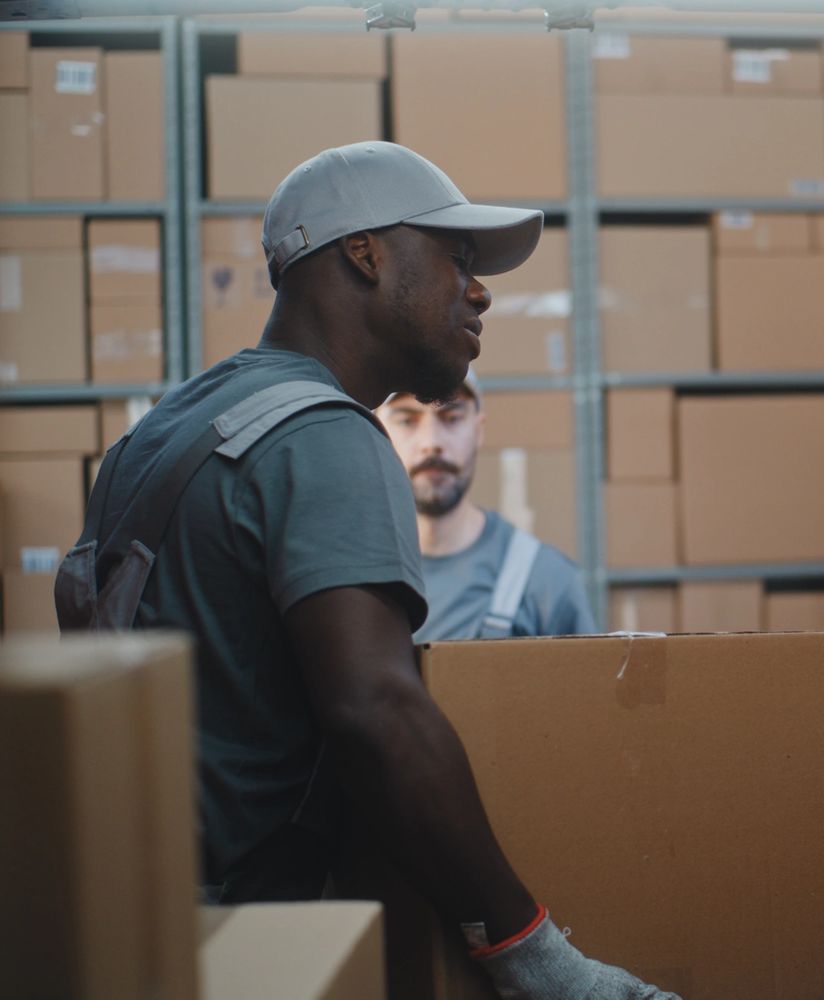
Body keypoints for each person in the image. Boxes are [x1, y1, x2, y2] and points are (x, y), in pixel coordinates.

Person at [61, 141, 675, 998]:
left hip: (124, 927)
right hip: (246, 952)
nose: (480, 288)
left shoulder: (159, 435)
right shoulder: (326, 438)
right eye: (456, 258)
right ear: (365, 254)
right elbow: (374, 710)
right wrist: (546, 968)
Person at [374, 371, 596, 642]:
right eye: (407, 421)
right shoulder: (348, 576)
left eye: (452, 418)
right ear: (377, 430)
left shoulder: (547, 582)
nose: (431, 443)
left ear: (478, 430)